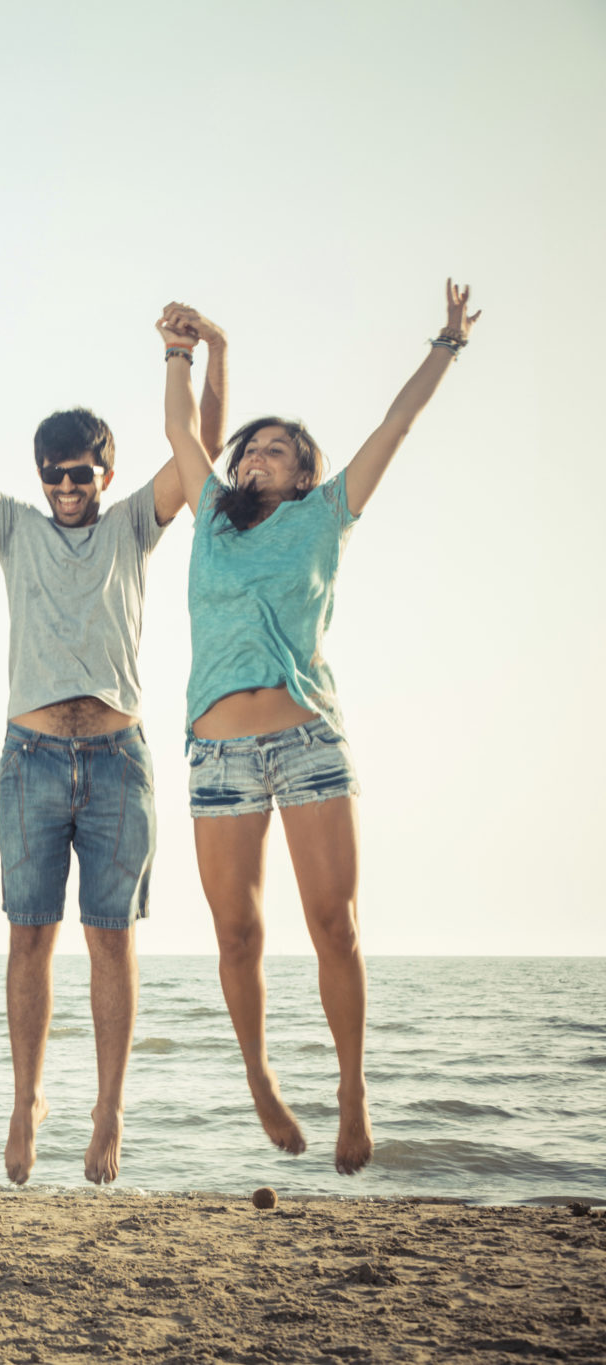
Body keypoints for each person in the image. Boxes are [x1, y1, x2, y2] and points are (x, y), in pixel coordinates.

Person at [0, 320, 207, 1185]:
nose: (66, 485)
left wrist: (190, 356)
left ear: (105, 471)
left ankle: (109, 1106)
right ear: (39, 476)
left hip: (118, 760)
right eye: (53, 473)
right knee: (29, 938)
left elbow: (196, 454)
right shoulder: (16, 529)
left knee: (110, 942)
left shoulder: (134, 523)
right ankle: (26, 1101)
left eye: (80, 471)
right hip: (31, 759)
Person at [158, 283, 479, 1176]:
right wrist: (183, 348)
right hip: (218, 751)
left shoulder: (324, 515)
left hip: (306, 744)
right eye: (253, 446)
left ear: (305, 471)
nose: (260, 455)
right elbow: (182, 433)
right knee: (237, 935)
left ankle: (351, 1086)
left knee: (333, 923)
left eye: (280, 450)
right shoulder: (208, 524)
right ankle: (259, 1074)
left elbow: (395, 426)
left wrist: (444, 347)